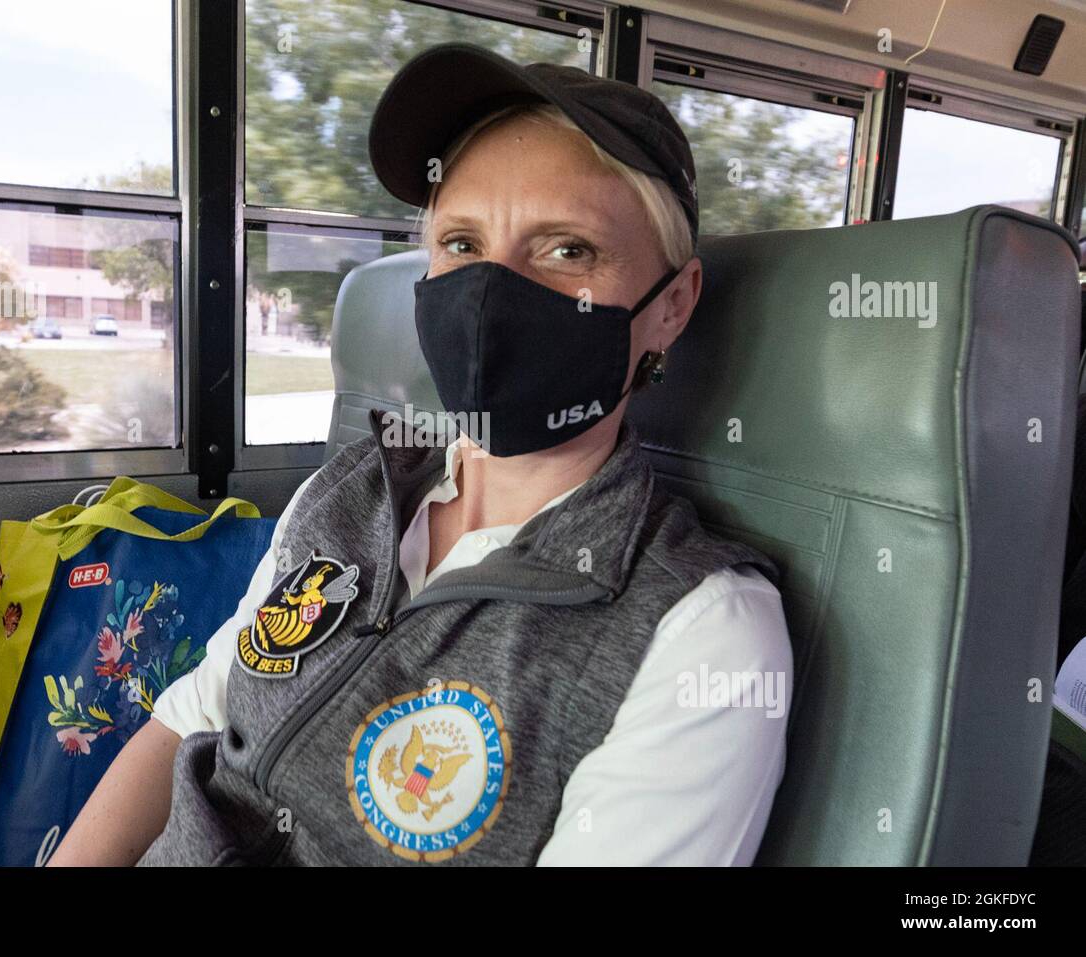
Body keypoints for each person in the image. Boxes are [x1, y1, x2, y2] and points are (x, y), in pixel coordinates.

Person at [50, 41, 792, 867]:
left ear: (672, 305)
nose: (489, 295)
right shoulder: (343, 493)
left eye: (567, 249)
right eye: (464, 244)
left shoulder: (698, 630)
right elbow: (191, 717)